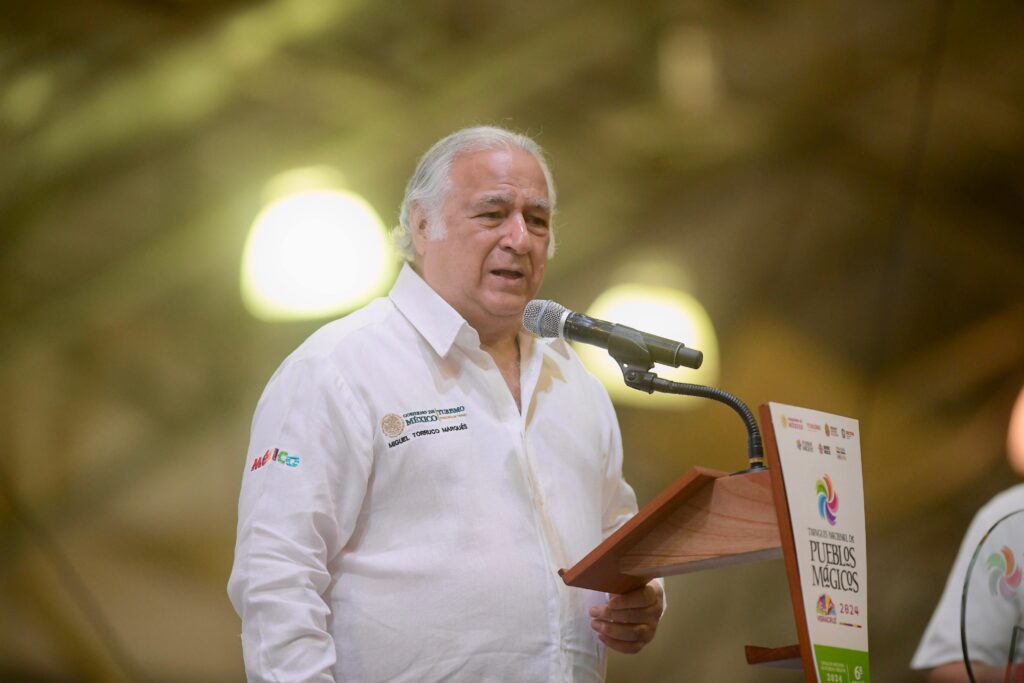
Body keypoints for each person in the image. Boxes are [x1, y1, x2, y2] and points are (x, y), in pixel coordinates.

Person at [228, 126, 665, 682]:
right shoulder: (336, 369)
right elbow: (276, 576)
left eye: (537, 220)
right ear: (421, 224)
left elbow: (616, 531)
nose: (520, 239)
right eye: (492, 214)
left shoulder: (575, 381)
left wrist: (642, 597)